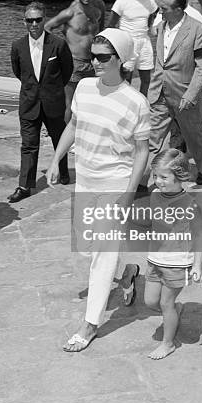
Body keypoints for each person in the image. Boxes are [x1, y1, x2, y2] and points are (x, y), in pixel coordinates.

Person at [46, 28, 150, 352]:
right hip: (86, 178)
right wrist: (55, 159)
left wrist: (131, 191)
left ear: (120, 60)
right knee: (90, 247)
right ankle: (130, 270)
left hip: (115, 181)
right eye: (93, 55)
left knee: (102, 254)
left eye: (103, 57)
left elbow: (143, 150)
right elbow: (74, 127)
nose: (95, 62)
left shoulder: (136, 102)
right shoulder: (84, 88)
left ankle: (89, 324)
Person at [144, 149, 202, 360]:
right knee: (150, 302)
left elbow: (199, 235)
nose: (158, 181)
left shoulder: (190, 204)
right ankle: (175, 310)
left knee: (165, 304)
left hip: (178, 263)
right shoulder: (154, 195)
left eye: (163, 177)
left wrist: (197, 265)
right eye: (155, 176)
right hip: (155, 259)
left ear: (179, 176)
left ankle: (168, 343)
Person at [144, 0, 202, 187]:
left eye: (164, 9)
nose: (160, 12)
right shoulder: (161, 27)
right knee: (152, 140)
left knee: (194, 135)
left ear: (178, 10)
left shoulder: (197, 30)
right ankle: (141, 181)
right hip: (159, 93)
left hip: (184, 94)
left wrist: (191, 94)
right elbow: (160, 59)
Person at [8, 2, 73, 203]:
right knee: (28, 145)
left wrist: (52, 90)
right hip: (29, 103)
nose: (34, 24)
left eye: (38, 20)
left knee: (58, 139)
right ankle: (24, 186)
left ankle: (63, 172)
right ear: (24, 22)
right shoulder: (17, 46)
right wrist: (33, 89)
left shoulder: (58, 44)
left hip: (53, 102)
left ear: (44, 20)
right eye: (30, 20)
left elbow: (67, 70)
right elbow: (19, 72)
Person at [44, 0, 102, 123]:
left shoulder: (97, 12)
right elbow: (47, 27)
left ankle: (84, 130)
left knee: (90, 101)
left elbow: (98, 35)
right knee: (69, 103)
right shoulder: (70, 13)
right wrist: (55, 50)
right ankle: (63, 135)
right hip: (74, 62)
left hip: (93, 62)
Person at [108, 0, 157, 96]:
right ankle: (125, 102)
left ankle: (142, 102)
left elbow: (153, 14)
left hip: (144, 41)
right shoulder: (122, 1)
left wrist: (150, 27)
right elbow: (110, 24)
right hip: (128, 43)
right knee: (126, 78)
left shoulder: (150, 1)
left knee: (146, 78)